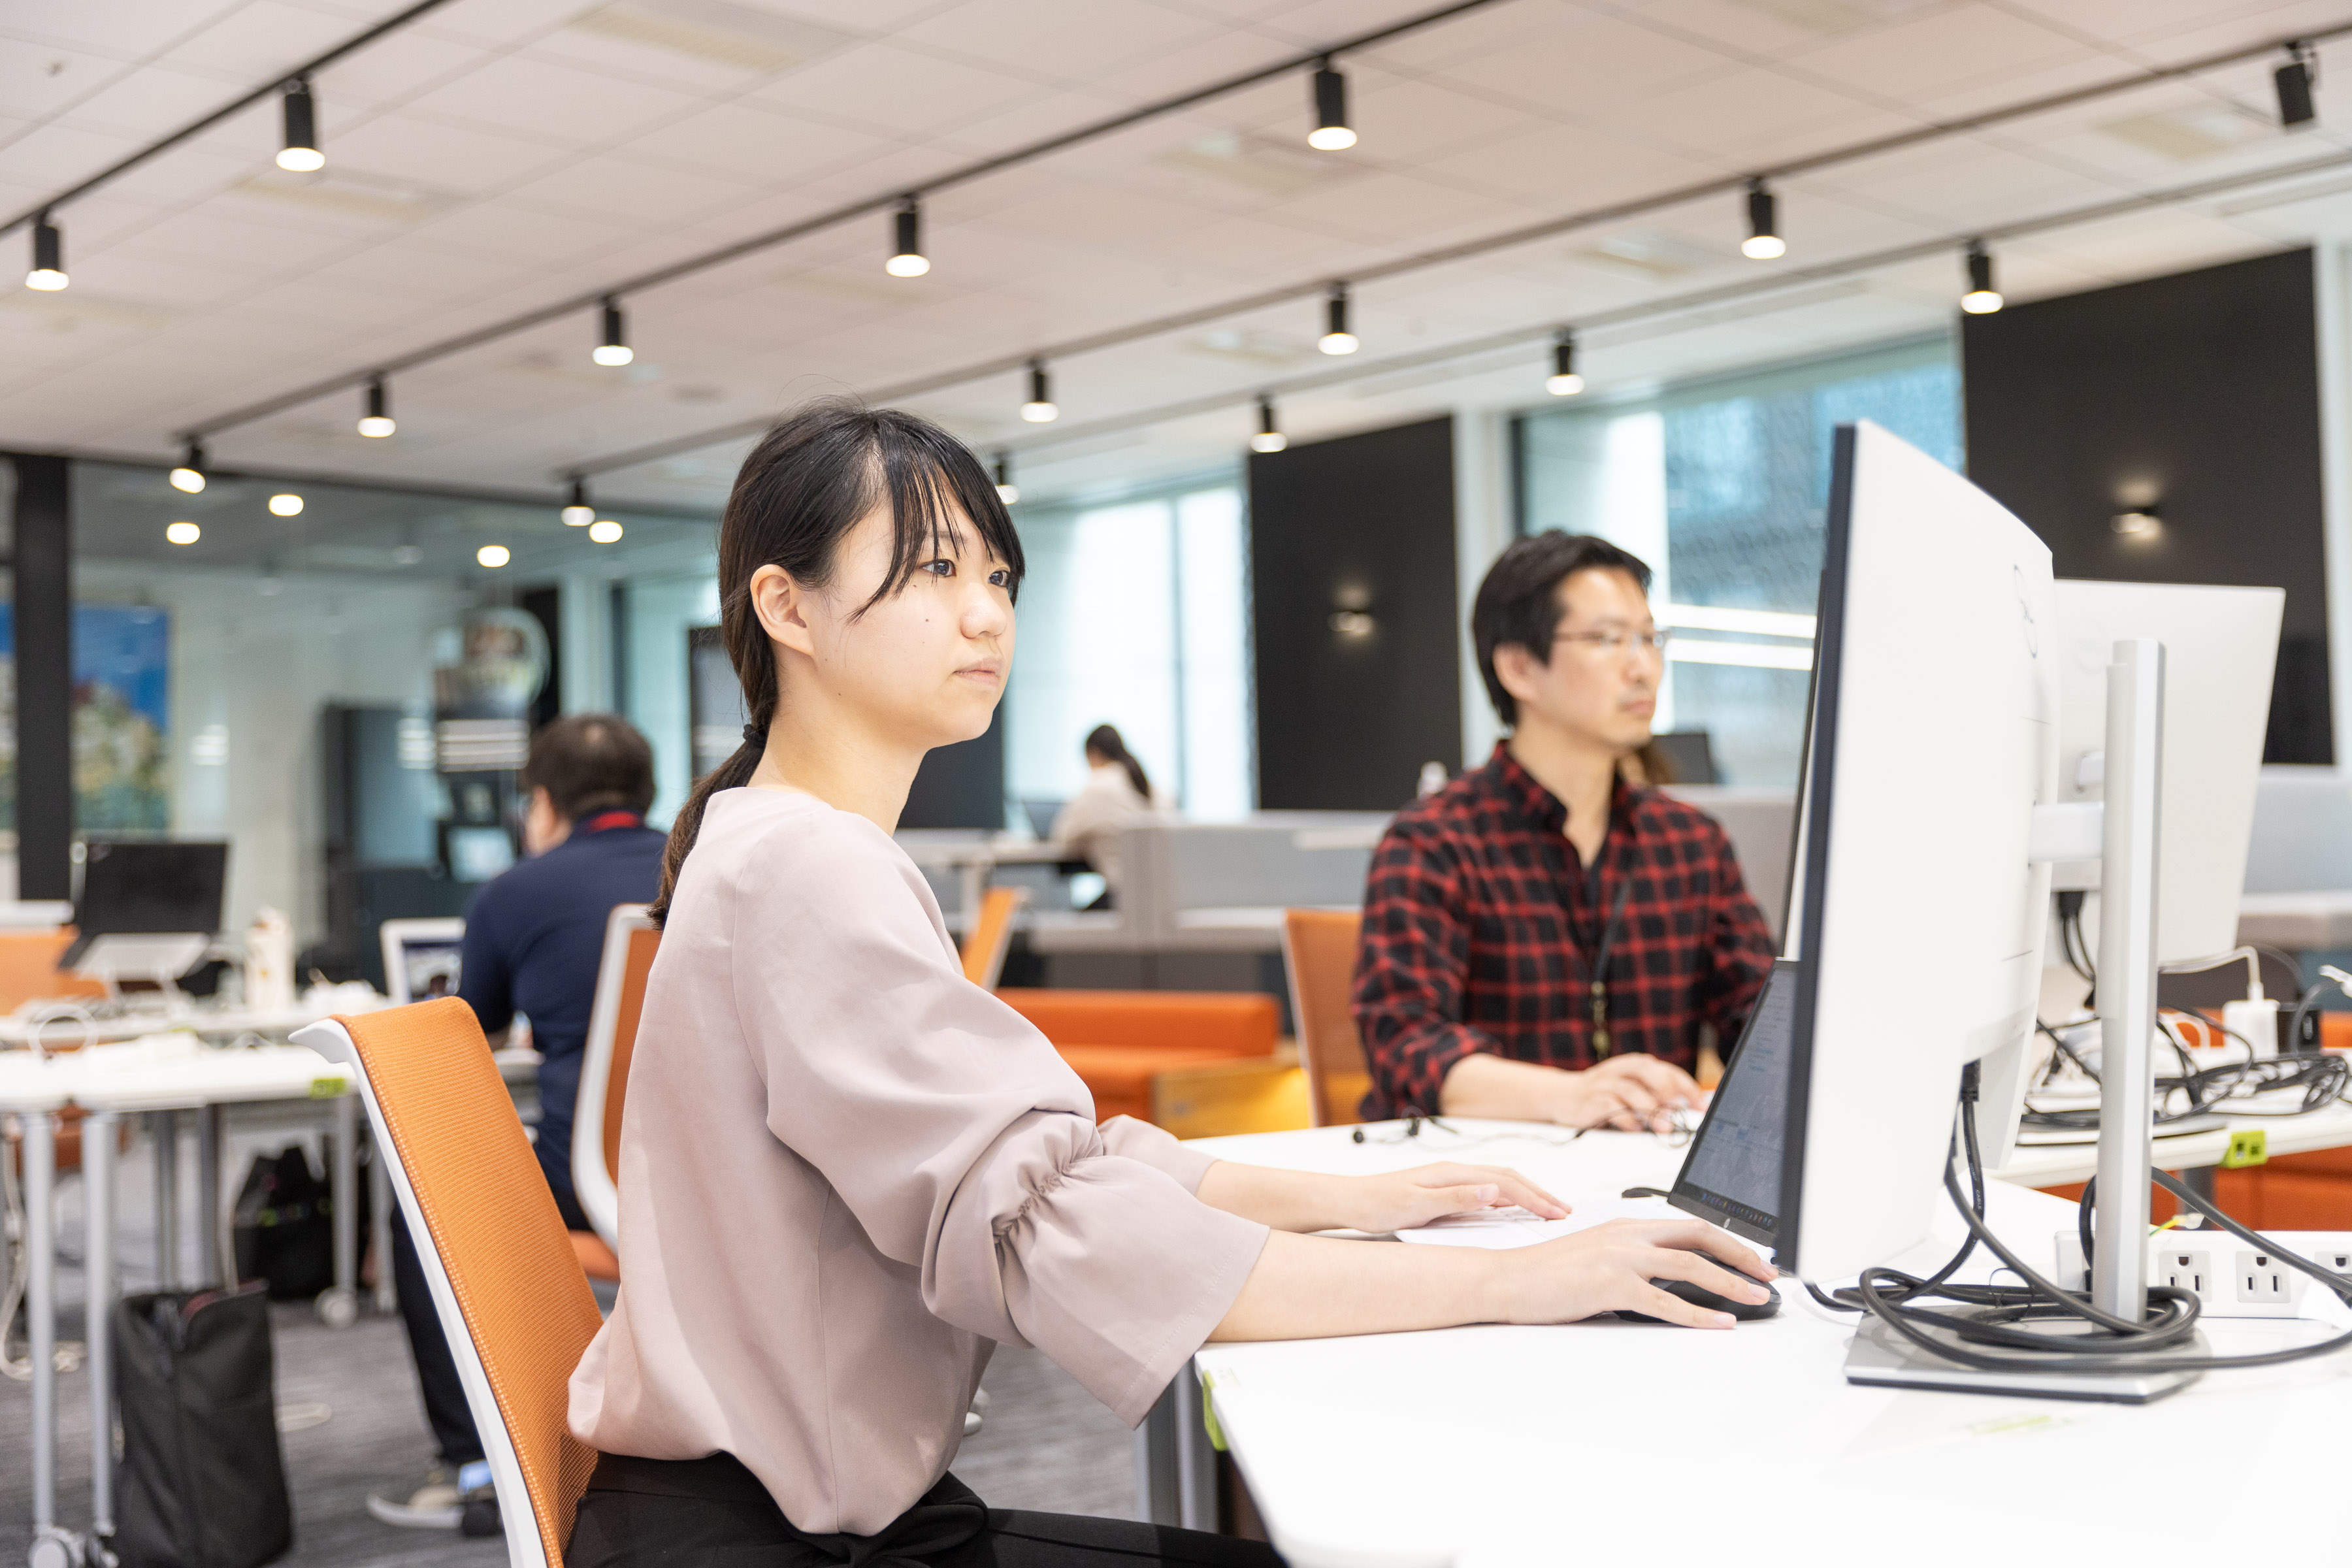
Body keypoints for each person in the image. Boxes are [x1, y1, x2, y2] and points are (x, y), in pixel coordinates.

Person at [562, 400, 1773, 1567]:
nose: (986, 616)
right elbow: (1050, 1230)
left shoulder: (784, 844)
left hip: (791, 1510)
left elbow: (1053, 1165)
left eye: (999, 578)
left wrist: (1351, 1197)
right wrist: (1511, 1281)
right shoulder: (808, 865)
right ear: (789, 606)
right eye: (936, 571)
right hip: (779, 1539)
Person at [1352, 531, 1778, 1129]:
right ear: (1520, 667)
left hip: (1640, 1185)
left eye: (1650, 639)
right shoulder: (1435, 842)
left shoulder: (1691, 843)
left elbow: (1762, 1028)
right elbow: (1406, 1046)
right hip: (1482, 1190)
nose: (1643, 667)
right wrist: (1569, 1096)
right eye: (1608, 640)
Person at [371, 713, 666, 1534]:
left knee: (420, 1209)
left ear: (541, 804)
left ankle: (474, 1464)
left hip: (589, 1184)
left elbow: (476, 1031)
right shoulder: (702, 865)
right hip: (716, 1176)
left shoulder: (513, 893)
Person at [1047, 723, 1159, 902]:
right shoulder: (1147, 785)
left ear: (1094, 754)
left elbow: (1061, 839)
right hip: (1160, 896)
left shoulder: (1098, 787)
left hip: (1123, 898)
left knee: (1077, 924)